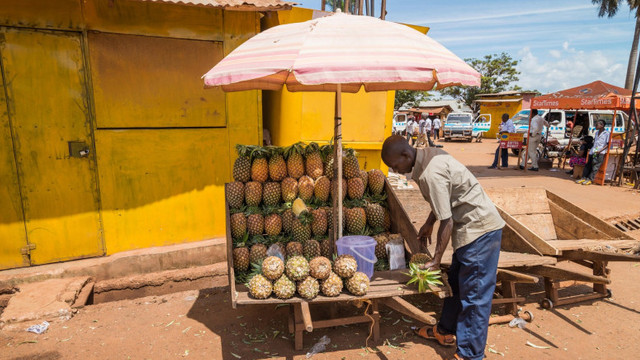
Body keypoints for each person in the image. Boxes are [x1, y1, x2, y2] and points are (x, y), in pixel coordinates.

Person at [381, 135, 505, 360]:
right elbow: (443, 200)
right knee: (456, 284)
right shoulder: (427, 157)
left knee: (475, 298)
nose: (395, 171)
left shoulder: (430, 173)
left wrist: (436, 259)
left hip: (480, 232)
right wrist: (429, 223)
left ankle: (470, 355)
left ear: (406, 155)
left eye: (395, 166)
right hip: (469, 231)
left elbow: (447, 220)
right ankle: (445, 331)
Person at [577, 120, 609, 185]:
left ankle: (590, 179)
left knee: (595, 166)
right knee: (588, 165)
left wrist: (600, 151)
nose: (595, 126)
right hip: (593, 151)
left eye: (597, 125)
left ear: (602, 125)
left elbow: (608, 144)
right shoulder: (597, 132)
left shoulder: (607, 133)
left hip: (600, 153)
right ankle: (584, 177)